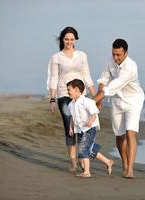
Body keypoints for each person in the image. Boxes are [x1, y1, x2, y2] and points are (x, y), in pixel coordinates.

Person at [47, 27, 96, 173]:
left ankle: (83, 158)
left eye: (72, 39)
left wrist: (95, 96)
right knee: (70, 129)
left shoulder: (82, 55)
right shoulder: (56, 57)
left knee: (83, 128)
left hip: (82, 96)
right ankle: (73, 163)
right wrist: (52, 99)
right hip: (64, 95)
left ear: (75, 39)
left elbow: (87, 76)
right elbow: (53, 78)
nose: (69, 41)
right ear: (62, 39)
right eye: (66, 39)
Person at [94, 39, 145, 178]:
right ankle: (125, 164)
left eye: (118, 55)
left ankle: (130, 169)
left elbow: (113, 85)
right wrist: (97, 100)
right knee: (119, 135)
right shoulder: (110, 60)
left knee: (130, 133)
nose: (115, 58)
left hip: (133, 100)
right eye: (113, 54)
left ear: (126, 53)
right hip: (117, 100)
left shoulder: (131, 66)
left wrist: (92, 102)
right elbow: (104, 80)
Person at [67, 79, 114, 178]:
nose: (68, 92)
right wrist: (70, 128)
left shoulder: (86, 101)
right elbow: (72, 116)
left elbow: (94, 113)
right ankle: (108, 162)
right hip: (79, 129)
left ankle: (87, 172)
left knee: (84, 148)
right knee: (90, 149)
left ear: (76, 89)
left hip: (89, 128)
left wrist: (90, 121)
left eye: (69, 90)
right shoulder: (71, 104)